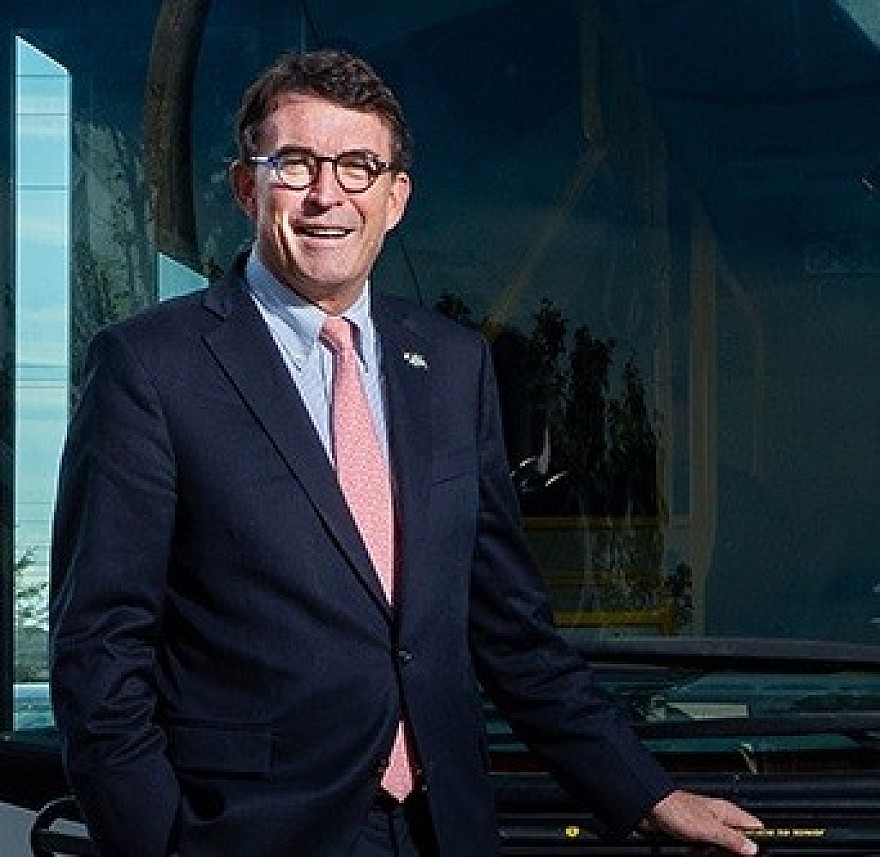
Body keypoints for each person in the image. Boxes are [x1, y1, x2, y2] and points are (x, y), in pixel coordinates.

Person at [49, 49, 762, 857]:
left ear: (395, 199)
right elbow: (99, 655)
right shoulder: (150, 366)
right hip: (250, 836)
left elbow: (510, 630)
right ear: (248, 187)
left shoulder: (454, 365)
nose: (328, 195)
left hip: (441, 830)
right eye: (296, 164)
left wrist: (645, 791)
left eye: (359, 166)